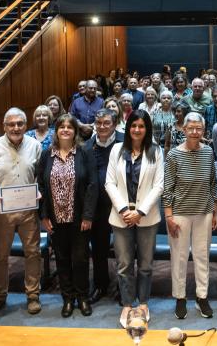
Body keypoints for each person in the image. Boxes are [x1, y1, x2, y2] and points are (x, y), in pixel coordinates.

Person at [0, 108, 44, 317]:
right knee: (0, 256)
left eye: (20, 124)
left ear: (26, 125)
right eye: (11, 124)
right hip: (1, 211)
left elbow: (40, 175)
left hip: (28, 210)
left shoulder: (35, 146)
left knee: (33, 253)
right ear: (4, 126)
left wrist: (38, 190)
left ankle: (33, 295)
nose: (16, 128)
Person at [106, 110, 164, 328]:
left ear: (146, 129)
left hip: (146, 217)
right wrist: (123, 210)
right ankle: (128, 303)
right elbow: (109, 183)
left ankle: (144, 303)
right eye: (133, 125)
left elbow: (159, 185)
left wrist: (139, 212)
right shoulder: (116, 150)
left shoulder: (156, 151)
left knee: (146, 264)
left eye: (141, 126)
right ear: (127, 127)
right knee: (124, 264)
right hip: (120, 216)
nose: (137, 130)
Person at [38, 113, 97, 318]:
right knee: (62, 259)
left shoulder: (84, 153)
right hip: (56, 218)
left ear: (75, 131)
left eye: (69, 127)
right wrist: (43, 216)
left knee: (80, 259)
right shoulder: (47, 155)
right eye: (61, 126)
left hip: (79, 218)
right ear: (56, 131)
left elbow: (92, 185)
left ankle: (82, 297)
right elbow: (41, 188)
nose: (65, 130)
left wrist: (88, 216)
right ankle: (67, 298)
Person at [163, 112, 217, 320]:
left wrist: (215, 211)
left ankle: (201, 297)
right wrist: (168, 217)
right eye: (191, 128)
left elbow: (213, 183)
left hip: (204, 212)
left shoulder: (208, 152)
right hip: (179, 214)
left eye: (199, 129)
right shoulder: (174, 155)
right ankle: (180, 298)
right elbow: (168, 188)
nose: (195, 132)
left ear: (203, 131)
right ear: (183, 130)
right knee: (178, 257)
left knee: (202, 256)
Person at [86, 109, 118, 304]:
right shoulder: (87, 146)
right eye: (98, 123)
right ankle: (100, 285)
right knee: (98, 249)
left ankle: (125, 287)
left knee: (126, 250)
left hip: (122, 205)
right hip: (97, 207)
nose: (102, 127)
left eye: (106, 123)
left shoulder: (124, 141)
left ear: (114, 124)